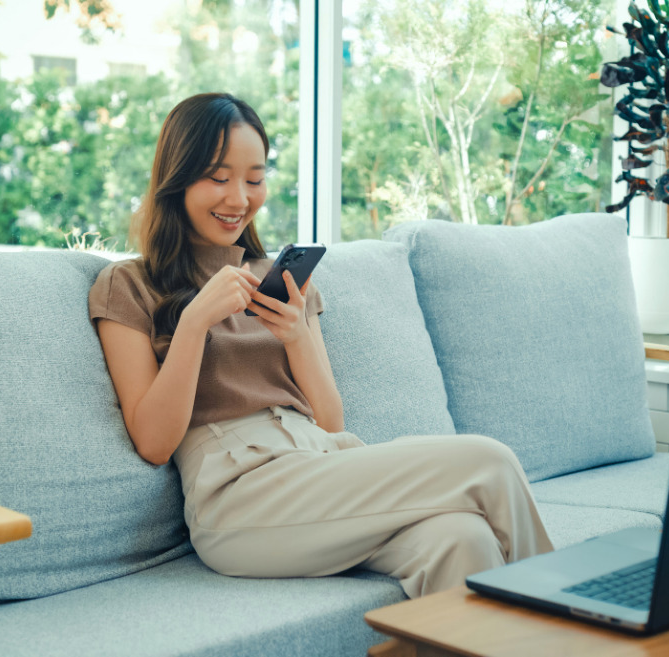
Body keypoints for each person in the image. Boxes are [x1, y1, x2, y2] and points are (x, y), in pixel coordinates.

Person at [88, 92, 553, 598]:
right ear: (176, 179)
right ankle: (576, 632)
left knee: (461, 539)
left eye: (255, 178)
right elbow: (154, 443)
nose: (239, 198)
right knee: (489, 462)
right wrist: (195, 321)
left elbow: (331, 421)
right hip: (239, 497)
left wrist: (296, 333)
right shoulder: (129, 285)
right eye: (218, 178)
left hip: (320, 460)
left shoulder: (278, 279)